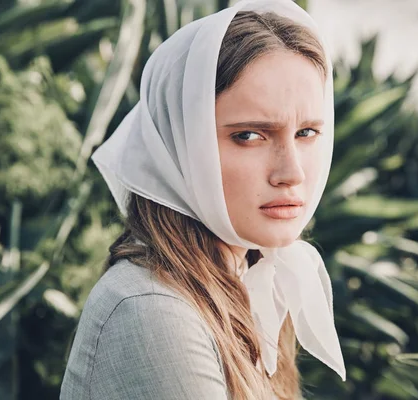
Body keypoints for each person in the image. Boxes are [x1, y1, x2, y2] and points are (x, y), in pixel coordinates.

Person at [60, 0, 346, 399]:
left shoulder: (244, 275)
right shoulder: (153, 309)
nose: (292, 173)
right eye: (249, 135)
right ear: (180, 146)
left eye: (307, 133)